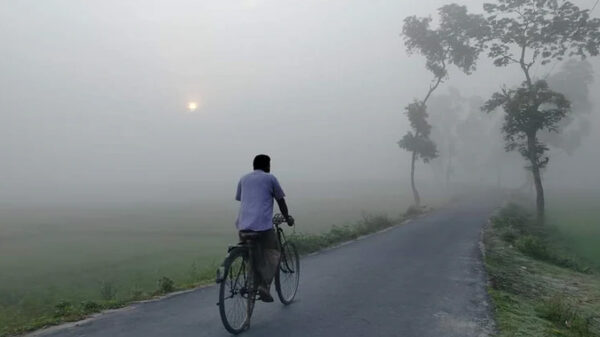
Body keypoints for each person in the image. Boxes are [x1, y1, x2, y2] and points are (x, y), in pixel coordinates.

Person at [235, 154, 294, 302]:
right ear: (267, 165)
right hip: (262, 227)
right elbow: (280, 201)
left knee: (252, 257)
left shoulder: (243, 179)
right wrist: (287, 218)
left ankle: (251, 281)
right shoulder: (270, 178)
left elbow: (242, 198)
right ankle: (264, 286)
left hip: (243, 226)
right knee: (273, 253)